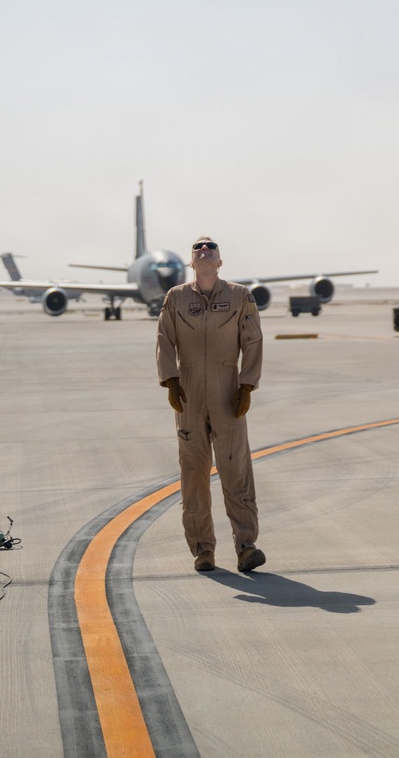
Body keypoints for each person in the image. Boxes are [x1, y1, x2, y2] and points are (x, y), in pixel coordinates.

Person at [156, 236, 265, 574]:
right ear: (191, 262)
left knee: (236, 470)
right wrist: (171, 380)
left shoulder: (239, 296)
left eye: (211, 249)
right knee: (194, 474)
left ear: (219, 262)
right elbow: (164, 338)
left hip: (227, 393)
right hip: (187, 396)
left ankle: (246, 545)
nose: (204, 251)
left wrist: (246, 384)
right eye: (198, 248)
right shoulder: (176, 298)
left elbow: (253, 339)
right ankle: (203, 550)